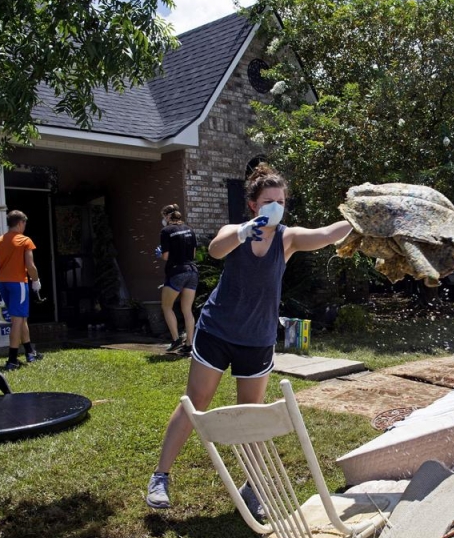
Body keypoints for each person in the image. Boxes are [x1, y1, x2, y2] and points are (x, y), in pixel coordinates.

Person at [146, 164, 353, 509]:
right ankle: (160, 477)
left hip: (256, 339)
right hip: (217, 331)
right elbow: (214, 249)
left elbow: (329, 234)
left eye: (282, 201)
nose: (277, 206)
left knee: (251, 413)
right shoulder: (235, 231)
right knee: (195, 402)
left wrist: (360, 220)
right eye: (270, 200)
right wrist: (243, 232)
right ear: (254, 204)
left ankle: (252, 486)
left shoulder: (288, 238)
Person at [0, 210, 42, 371]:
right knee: (17, 321)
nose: (25, 226)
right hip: (18, 283)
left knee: (21, 318)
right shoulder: (25, 241)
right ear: (20, 223)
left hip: (3, 284)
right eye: (25, 223)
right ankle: (12, 359)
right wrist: (36, 280)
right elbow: (30, 266)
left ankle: (30, 353)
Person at [157, 204, 198, 354]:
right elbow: (193, 255)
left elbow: (166, 256)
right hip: (192, 271)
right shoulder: (190, 229)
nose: (163, 220)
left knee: (167, 307)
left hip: (176, 272)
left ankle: (175, 340)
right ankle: (189, 344)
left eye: (163, 217)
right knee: (187, 309)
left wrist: (160, 253)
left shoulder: (166, 231)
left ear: (168, 217)